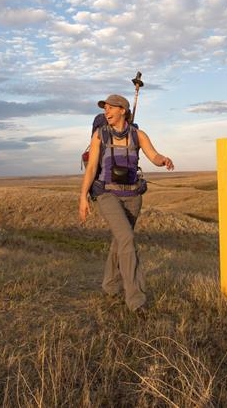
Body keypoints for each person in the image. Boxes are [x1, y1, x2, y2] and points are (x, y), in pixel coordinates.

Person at [79, 94, 174, 313]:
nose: (107, 111)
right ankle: (136, 301)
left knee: (120, 241)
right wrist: (83, 196)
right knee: (127, 238)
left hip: (133, 195)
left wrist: (163, 160)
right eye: (105, 109)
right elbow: (92, 167)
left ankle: (110, 285)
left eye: (111, 108)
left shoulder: (138, 135)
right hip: (107, 194)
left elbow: (154, 155)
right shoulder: (99, 135)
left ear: (123, 110)